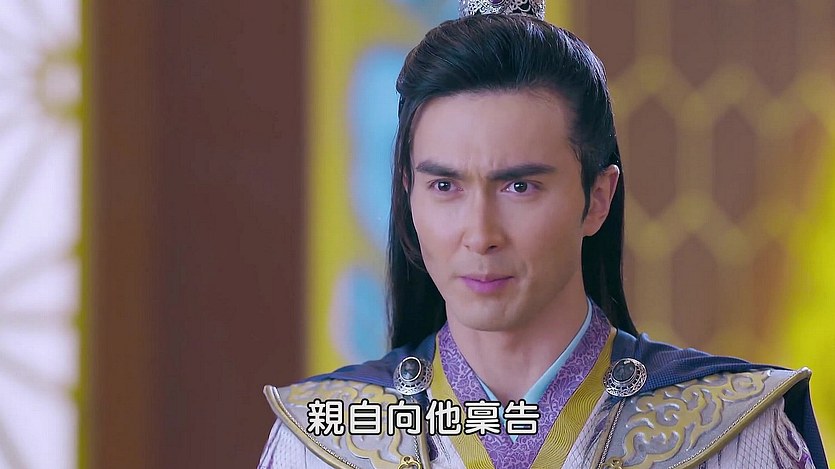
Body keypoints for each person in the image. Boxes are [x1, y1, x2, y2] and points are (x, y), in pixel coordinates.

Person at [258, 2, 827, 468]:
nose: (480, 235)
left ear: (597, 199)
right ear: (408, 195)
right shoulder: (325, 439)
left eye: (519, 187)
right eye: (445, 186)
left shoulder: (734, 432)